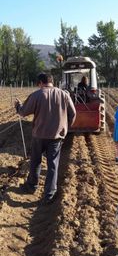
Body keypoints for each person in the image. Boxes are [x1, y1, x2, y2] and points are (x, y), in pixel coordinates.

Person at [15, 73, 76, 204]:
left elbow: (23, 112)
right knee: (53, 164)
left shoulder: (36, 95)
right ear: (52, 82)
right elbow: (73, 113)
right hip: (56, 136)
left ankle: (31, 186)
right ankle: (49, 194)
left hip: (39, 135)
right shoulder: (64, 95)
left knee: (35, 161)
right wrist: (66, 128)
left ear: (40, 83)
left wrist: (18, 106)